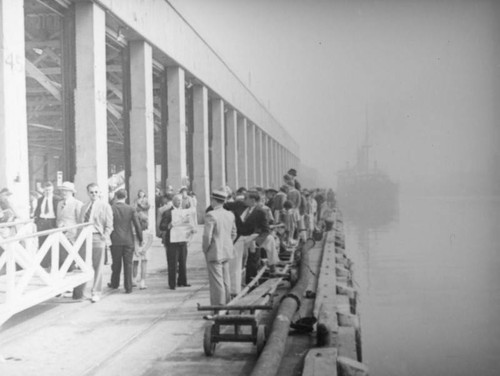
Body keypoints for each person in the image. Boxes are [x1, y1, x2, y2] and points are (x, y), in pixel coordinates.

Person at [73, 183, 113, 302]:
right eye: (91, 192)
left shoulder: (105, 206)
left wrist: (104, 238)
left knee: (98, 266)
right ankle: (80, 292)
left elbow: (109, 225)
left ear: (99, 192)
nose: (94, 194)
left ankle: (96, 291)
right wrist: (77, 239)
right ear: (88, 193)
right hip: (84, 238)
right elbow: (80, 224)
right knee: (82, 265)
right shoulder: (84, 206)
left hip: (97, 237)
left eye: (96, 192)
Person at [202, 189, 236, 305]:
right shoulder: (230, 214)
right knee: (226, 280)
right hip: (226, 251)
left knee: (217, 281)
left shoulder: (211, 215)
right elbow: (234, 233)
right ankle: (227, 303)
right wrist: (227, 243)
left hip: (215, 252)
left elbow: (207, 236)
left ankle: (218, 307)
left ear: (214, 201)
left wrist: (205, 249)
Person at [108, 189, 143, 294]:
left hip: (115, 240)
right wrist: (140, 239)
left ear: (115, 196)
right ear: (126, 196)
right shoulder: (131, 209)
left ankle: (115, 283)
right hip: (128, 240)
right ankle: (128, 287)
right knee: (128, 264)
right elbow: (137, 225)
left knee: (116, 263)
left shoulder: (111, 208)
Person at [159, 194, 193, 289]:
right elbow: (161, 226)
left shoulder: (184, 212)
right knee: (172, 263)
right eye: (178, 200)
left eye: (181, 200)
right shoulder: (168, 213)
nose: (180, 202)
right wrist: (168, 225)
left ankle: (182, 281)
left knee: (183, 262)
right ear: (173, 201)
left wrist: (190, 230)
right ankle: (172, 283)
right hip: (172, 241)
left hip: (182, 240)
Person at [239, 190, 270, 284]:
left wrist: (256, 242)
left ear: (252, 200)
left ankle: (251, 285)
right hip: (242, 241)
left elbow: (266, 230)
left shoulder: (261, 212)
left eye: (246, 198)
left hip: (252, 242)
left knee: (252, 265)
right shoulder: (245, 210)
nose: (243, 200)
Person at [56, 182, 83, 269]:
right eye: (62, 191)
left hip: (72, 234)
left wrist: (77, 234)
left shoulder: (77, 203)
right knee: (62, 258)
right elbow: (58, 218)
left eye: (66, 191)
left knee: (72, 257)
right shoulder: (59, 203)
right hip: (61, 233)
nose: (64, 193)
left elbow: (80, 221)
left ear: (71, 192)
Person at [34, 181, 61, 268]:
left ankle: (53, 264)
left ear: (52, 190)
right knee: (42, 243)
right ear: (43, 190)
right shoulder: (40, 200)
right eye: (46, 190)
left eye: (49, 190)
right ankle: (44, 264)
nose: (47, 192)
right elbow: (37, 211)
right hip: (42, 222)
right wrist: (36, 220)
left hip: (52, 222)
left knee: (53, 243)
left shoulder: (57, 199)